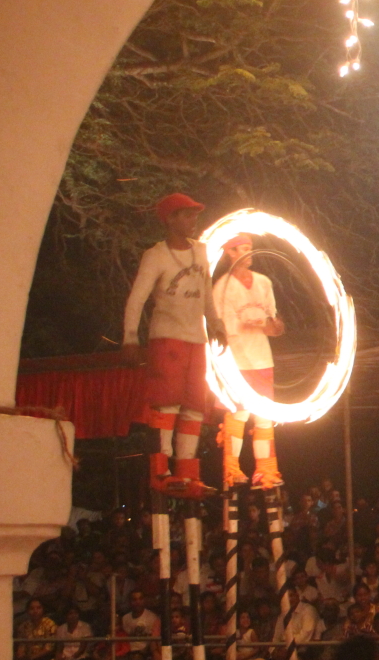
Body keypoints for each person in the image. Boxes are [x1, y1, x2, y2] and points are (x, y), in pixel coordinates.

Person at [121, 192, 226, 497]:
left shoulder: (202, 252)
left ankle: (187, 473)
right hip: (166, 337)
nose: (194, 220)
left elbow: (206, 295)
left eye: (195, 214)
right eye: (187, 214)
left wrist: (216, 324)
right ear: (170, 219)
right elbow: (137, 299)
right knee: (166, 403)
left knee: (195, 406)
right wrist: (130, 337)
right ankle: (160, 471)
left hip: (196, 339)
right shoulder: (156, 255)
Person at [212, 232, 285, 489]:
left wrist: (275, 326)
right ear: (230, 252)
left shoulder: (263, 283)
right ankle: (232, 470)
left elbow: (272, 323)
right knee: (238, 415)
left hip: (262, 359)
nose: (248, 253)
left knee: (264, 416)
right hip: (236, 362)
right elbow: (224, 329)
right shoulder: (222, 288)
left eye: (250, 248)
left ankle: (266, 471)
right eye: (242, 248)